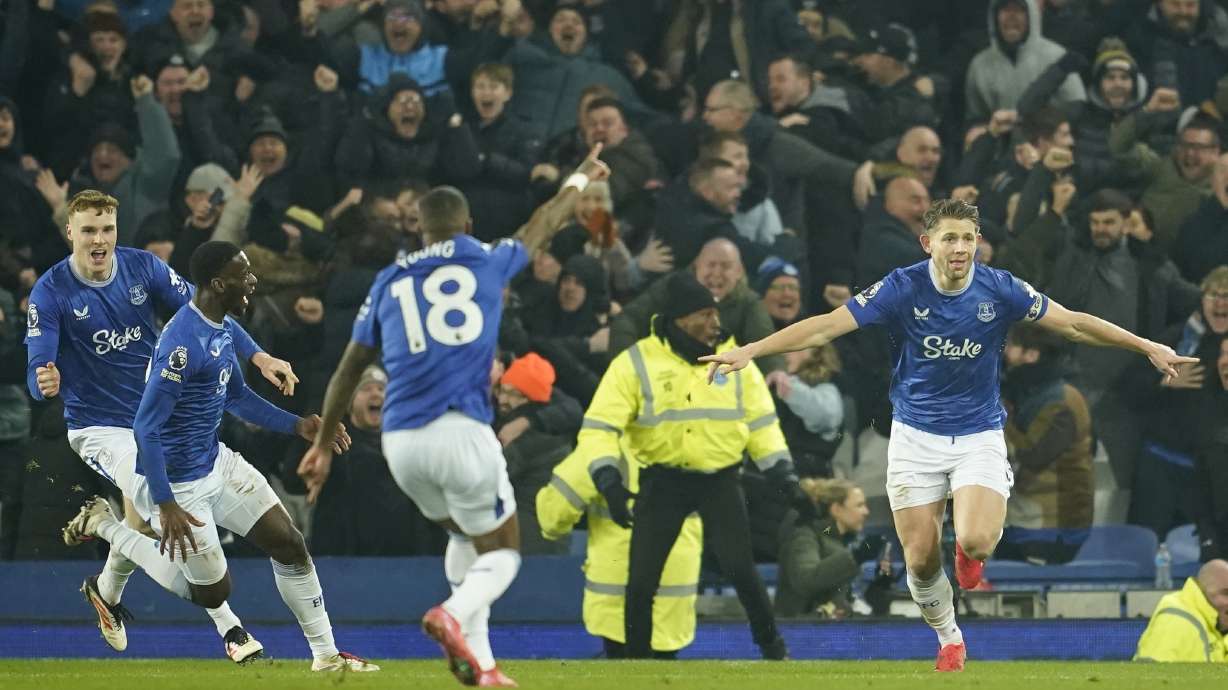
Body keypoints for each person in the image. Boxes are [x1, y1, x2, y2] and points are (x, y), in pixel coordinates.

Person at [702, 198, 1199, 671]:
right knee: (918, 563)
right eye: (949, 239)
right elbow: (826, 327)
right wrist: (751, 349)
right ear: (927, 244)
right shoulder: (901, 287)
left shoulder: (1001, 288)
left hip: (978, 433)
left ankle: (965, 552)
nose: (960, 248)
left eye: (968, 238)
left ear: (978, 242)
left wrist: (1145, 345)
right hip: (915, 437)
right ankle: (949, 637)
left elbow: (1071, 324)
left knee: (979, 541)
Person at [297, 146, 610, 687]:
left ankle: (483, 666)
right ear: (467, 225)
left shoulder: (387, 281)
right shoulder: (487, 258)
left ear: (419, 230)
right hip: (461, 433)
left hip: (400, 443)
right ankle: (452, 614)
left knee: (465, 537)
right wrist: (581, 176)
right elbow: (544, 222)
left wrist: (323, 444)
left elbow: (348, 370)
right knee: (505, 552)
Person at [61, 241, 376, 672]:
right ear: (217, 283)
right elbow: (145, 427)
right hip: (178, 486)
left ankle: (326, 656)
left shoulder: (221, 325)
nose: (252, 281)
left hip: (216, 462)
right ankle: (107, 528)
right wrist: (165, 502)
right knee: (213, 593)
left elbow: (237, 397)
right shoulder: (181, 344)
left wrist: (299, 425)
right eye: (243, 274)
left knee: (289, 544)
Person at [26, 190, 295, 662]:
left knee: (148, 522)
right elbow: (36, 367)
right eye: (88, 230)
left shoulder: (143, 268)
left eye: (107, 229)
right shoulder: (50, 292)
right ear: (70, 232)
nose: (99, 240)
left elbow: (207, 313)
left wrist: (258, 354)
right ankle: (230, 627)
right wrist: (41, 378)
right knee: (164, 519)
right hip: (100, 429)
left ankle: (105, 583)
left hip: (155, 417)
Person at [578, 270, 800, 660]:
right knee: (642, 579)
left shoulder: (733, 357)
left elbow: (762, 422)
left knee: (742, 571)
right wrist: (607, 478)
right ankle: (635, 661)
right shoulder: (636, 362)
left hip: (721, 480)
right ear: (679, 318)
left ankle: (774, 651)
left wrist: (783, 473)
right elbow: (599, 426)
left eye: (714, 313)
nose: (715, 322)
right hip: (664, 481)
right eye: (703, 315)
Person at [536, 448, 702, 659]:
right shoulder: (691, 439)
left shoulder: (604, 446)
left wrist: (553, 529)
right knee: (662, 670)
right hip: (676, 592)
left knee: (624, 669)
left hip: (618, 595)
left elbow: (554, 514)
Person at [775, 478, 870, 618]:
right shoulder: (804, 535)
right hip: (801, 628)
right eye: (859, 505)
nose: (866, 511)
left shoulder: (847, 540)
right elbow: (806, 580)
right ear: (836, 509)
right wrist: (854, 557)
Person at [1134, 559, 1228, 662]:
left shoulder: (1215, 623)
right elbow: (1150, 675)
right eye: (1226, 593)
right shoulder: (1175, 622)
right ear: (1203, 591)